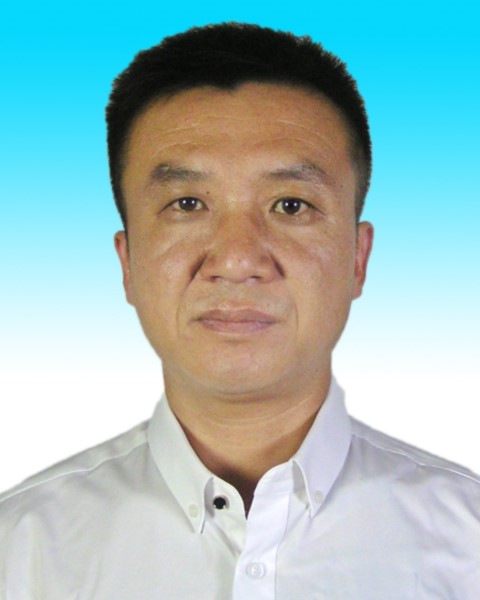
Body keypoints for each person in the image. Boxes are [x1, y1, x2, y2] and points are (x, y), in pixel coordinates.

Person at [0, 22, 478, 599]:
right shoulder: (20, 549)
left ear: (358, 257)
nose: (237, 259)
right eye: (187, 203)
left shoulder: (467, 542)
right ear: (128, 263)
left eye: (290, 204)